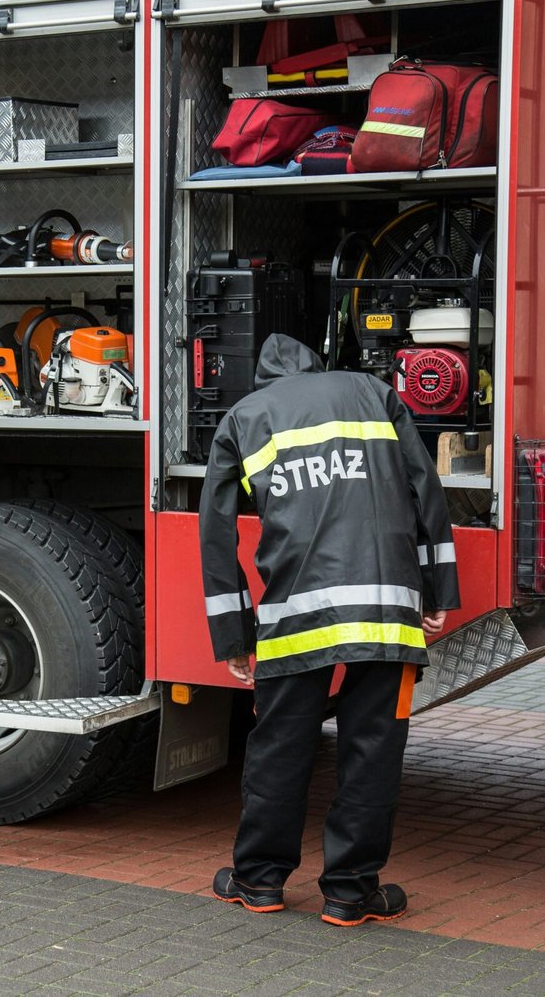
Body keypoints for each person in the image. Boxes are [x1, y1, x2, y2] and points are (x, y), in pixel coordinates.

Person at [201, 333, 459, 926]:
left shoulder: (244, 417)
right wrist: (437, 589)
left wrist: (234, 634)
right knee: (372, 749)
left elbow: (216, 533)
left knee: (280, 746)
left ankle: (258, 881)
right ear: (317, 367)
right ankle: (349, 892)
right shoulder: (373, 391)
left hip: (296, 616)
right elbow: (425, 486)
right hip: (386, 609)